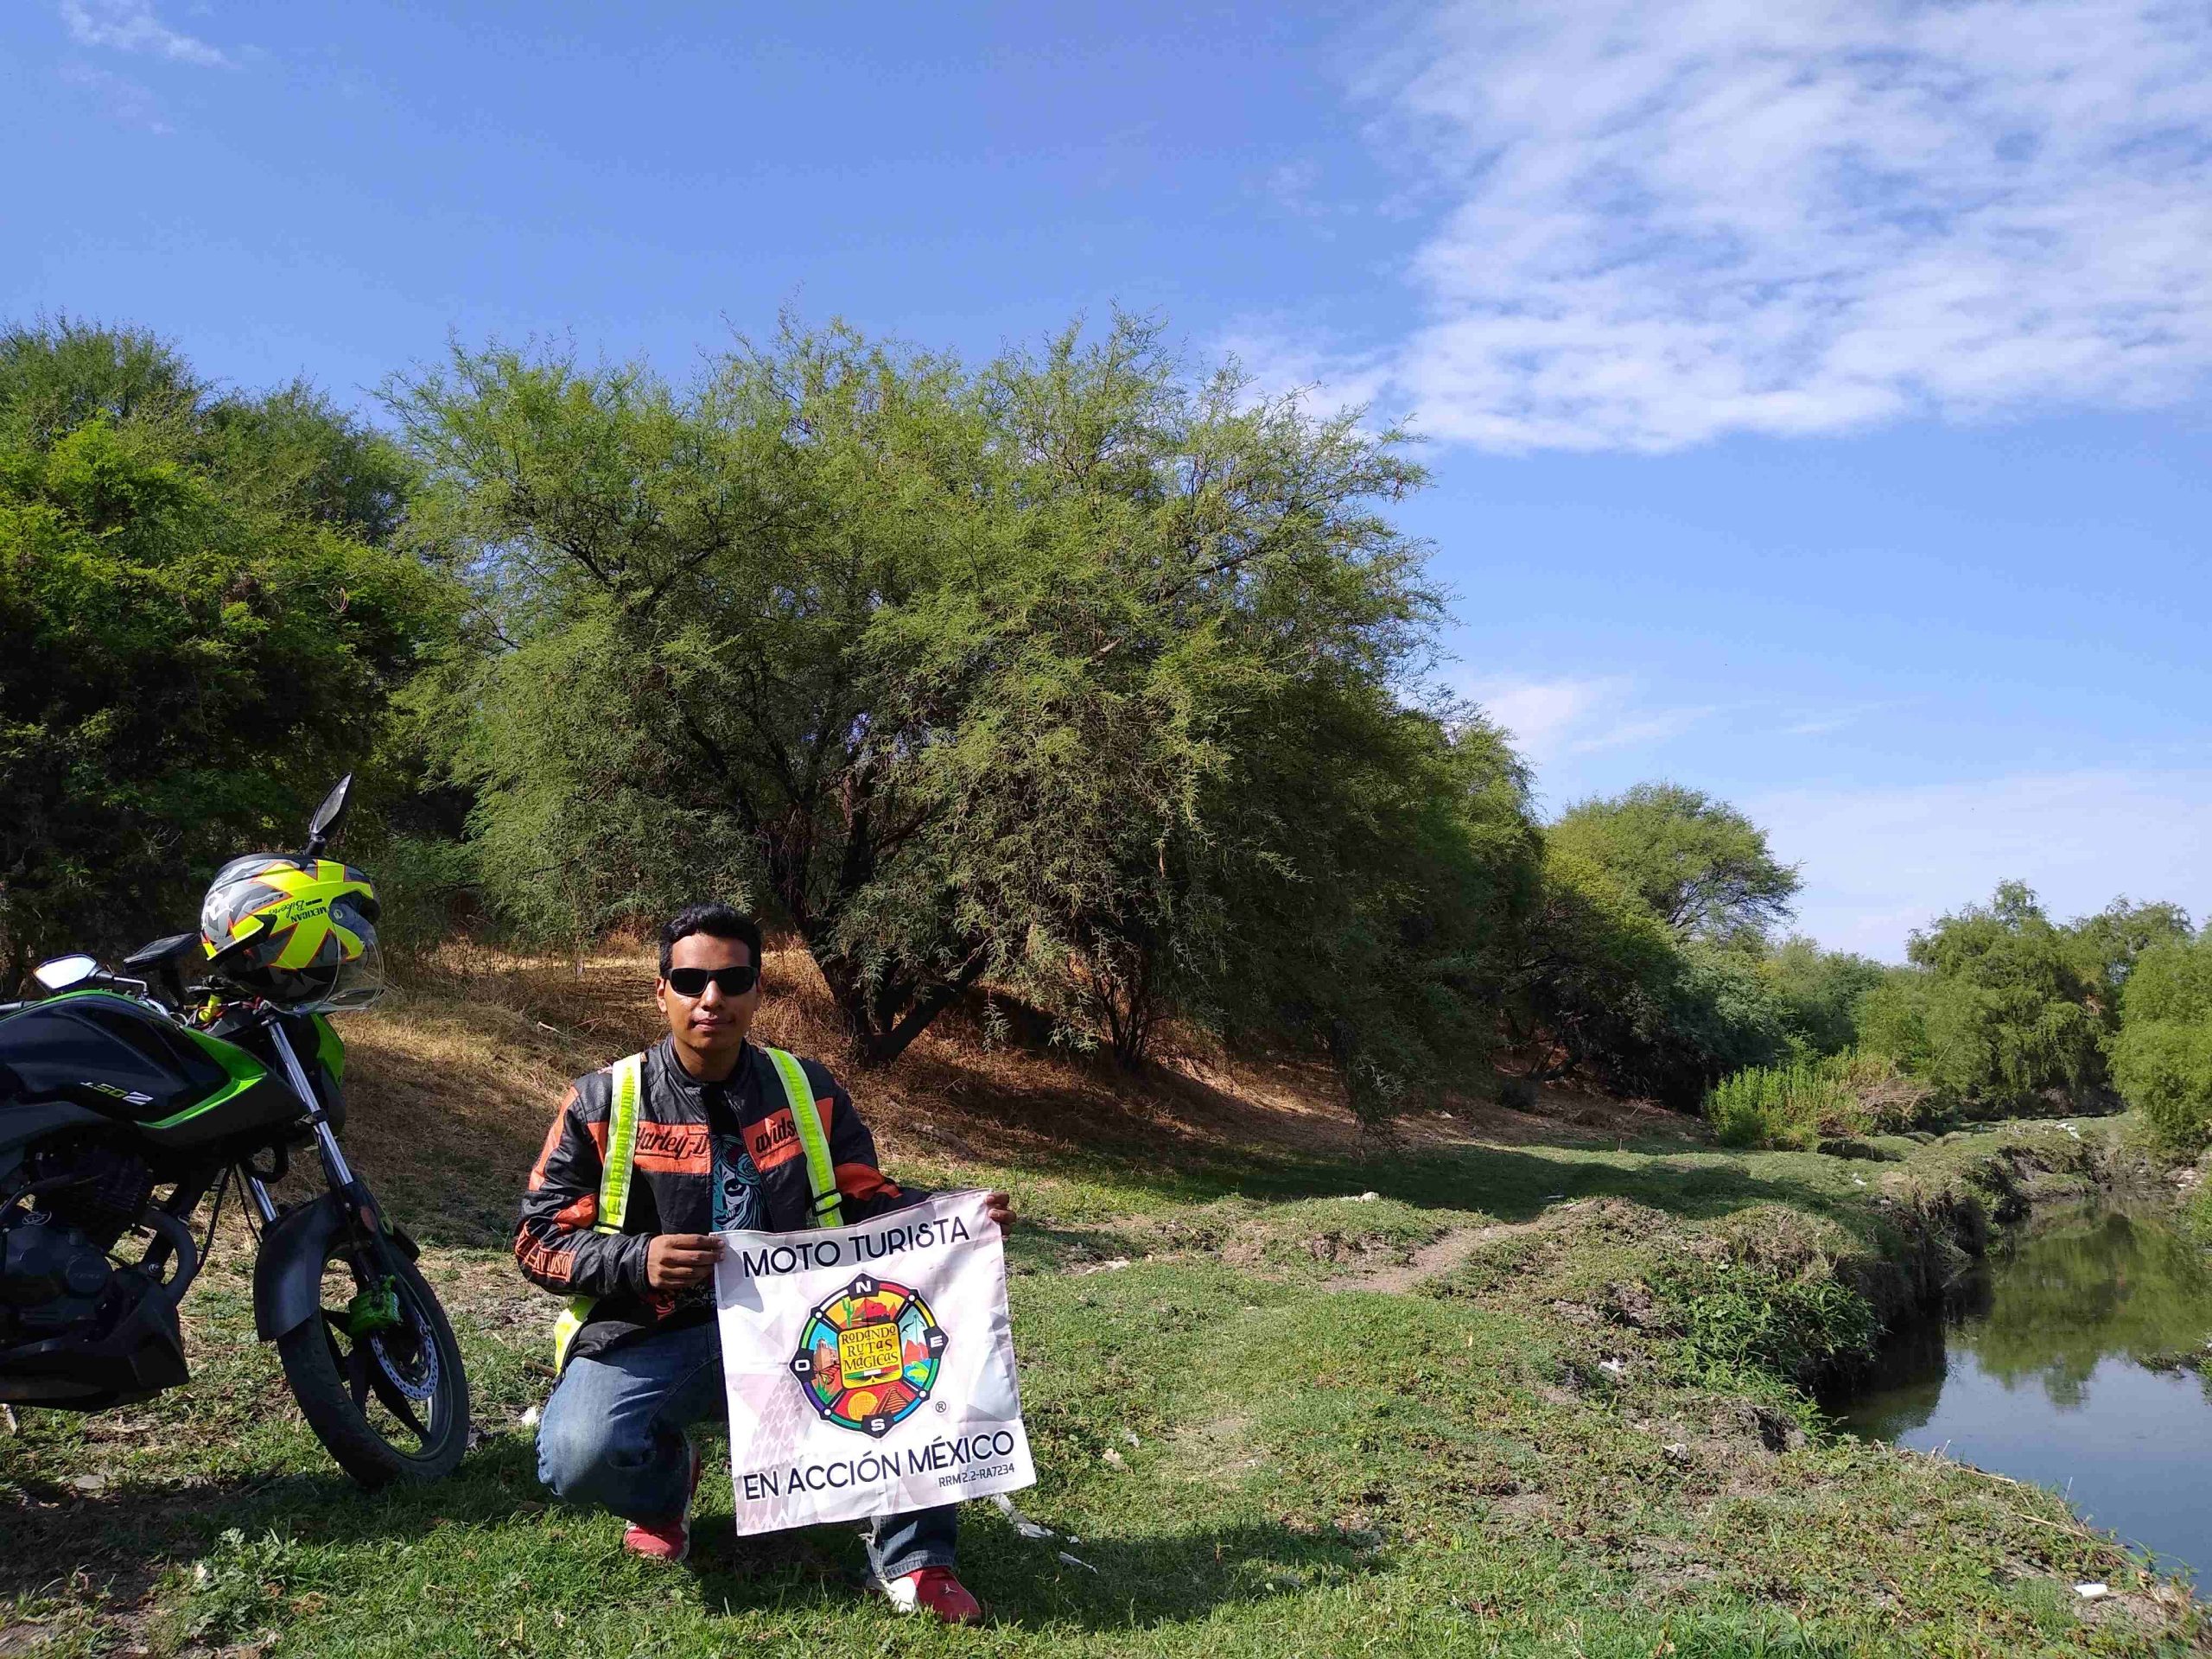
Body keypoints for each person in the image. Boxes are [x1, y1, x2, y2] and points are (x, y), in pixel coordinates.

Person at [515, 902, 1013, 1625]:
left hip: (799, 1332)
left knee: (914, 1342)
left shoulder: (807, 1089)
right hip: (658, 1334)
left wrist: (958, 1216)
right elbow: (535, 1238)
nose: (709, 998)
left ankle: (917, 1558)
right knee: (577, 1455)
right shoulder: (604, 1099)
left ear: (756, 991)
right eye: (689, 980)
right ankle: (665, 1487)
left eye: (731, 979)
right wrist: (638, 1258)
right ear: (662, 991)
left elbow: (866, 1197)